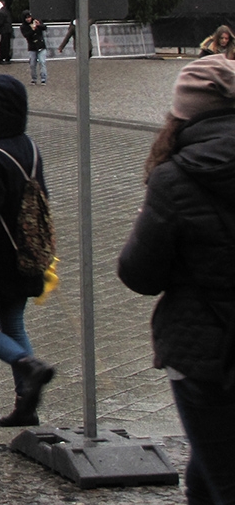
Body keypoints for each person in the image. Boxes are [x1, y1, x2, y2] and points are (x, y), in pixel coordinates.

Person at [119, 58, 235, 505]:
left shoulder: (175, 177)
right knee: (206, 476)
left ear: (181, 112)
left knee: (224, 481)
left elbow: (138, 274)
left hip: (203, 356)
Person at [0, 74, 57, 427]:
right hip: (27, 255)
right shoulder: (27, 146)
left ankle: (26, 364)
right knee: (13, 321)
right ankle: (26, 405)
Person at [20, 11, 48, 85]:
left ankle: (43, 79)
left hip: (41, 45)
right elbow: (27, 35)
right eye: (26, 18)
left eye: (29, 17)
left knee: (42, 62)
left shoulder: (36, 21)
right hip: (32, 47)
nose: (28, 19)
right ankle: (34, 78)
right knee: (32, 63)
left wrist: (39, 25)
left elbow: (44, 27)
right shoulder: (23, 27)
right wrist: (32, 30)